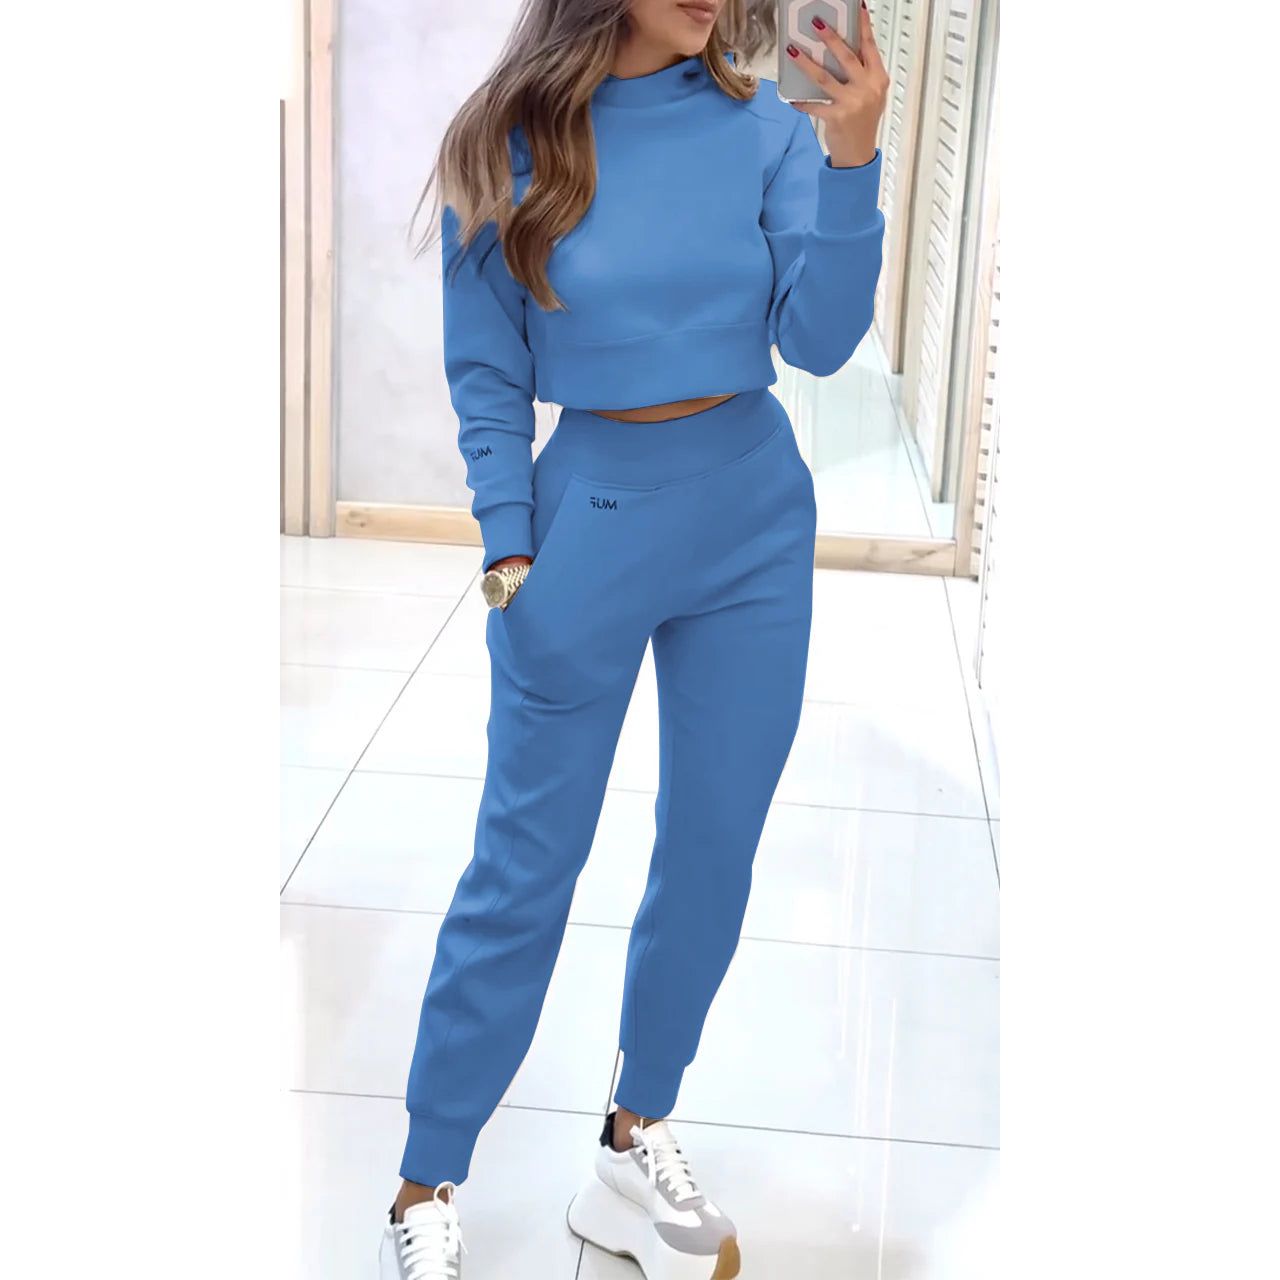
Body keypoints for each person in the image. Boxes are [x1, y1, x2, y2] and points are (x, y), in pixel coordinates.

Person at [380, 0, 887, 1275]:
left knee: (712, 849)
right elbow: (485, 368)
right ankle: (425, 1181)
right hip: (587, 528)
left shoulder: (766, 131)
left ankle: (631, 1135)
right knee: (524, 865)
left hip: (752, 520)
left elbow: (818, 342)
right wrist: (509, 548)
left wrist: (852, 157)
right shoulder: (503, 141)